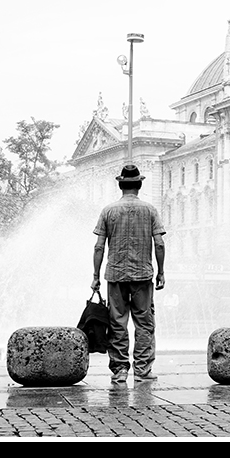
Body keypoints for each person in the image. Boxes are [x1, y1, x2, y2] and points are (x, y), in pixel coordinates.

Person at [92, 164, 166, 384]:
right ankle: (142, 370)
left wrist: (96, 276)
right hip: (143, 276)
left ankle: (120, 370)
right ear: (139, 185)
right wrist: (161, 271)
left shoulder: (108, 211)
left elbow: (98, 247)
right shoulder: (150, 210)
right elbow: (159, 244)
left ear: (120, 184)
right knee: (144, 323)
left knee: (117, 322)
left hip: (115, 275)